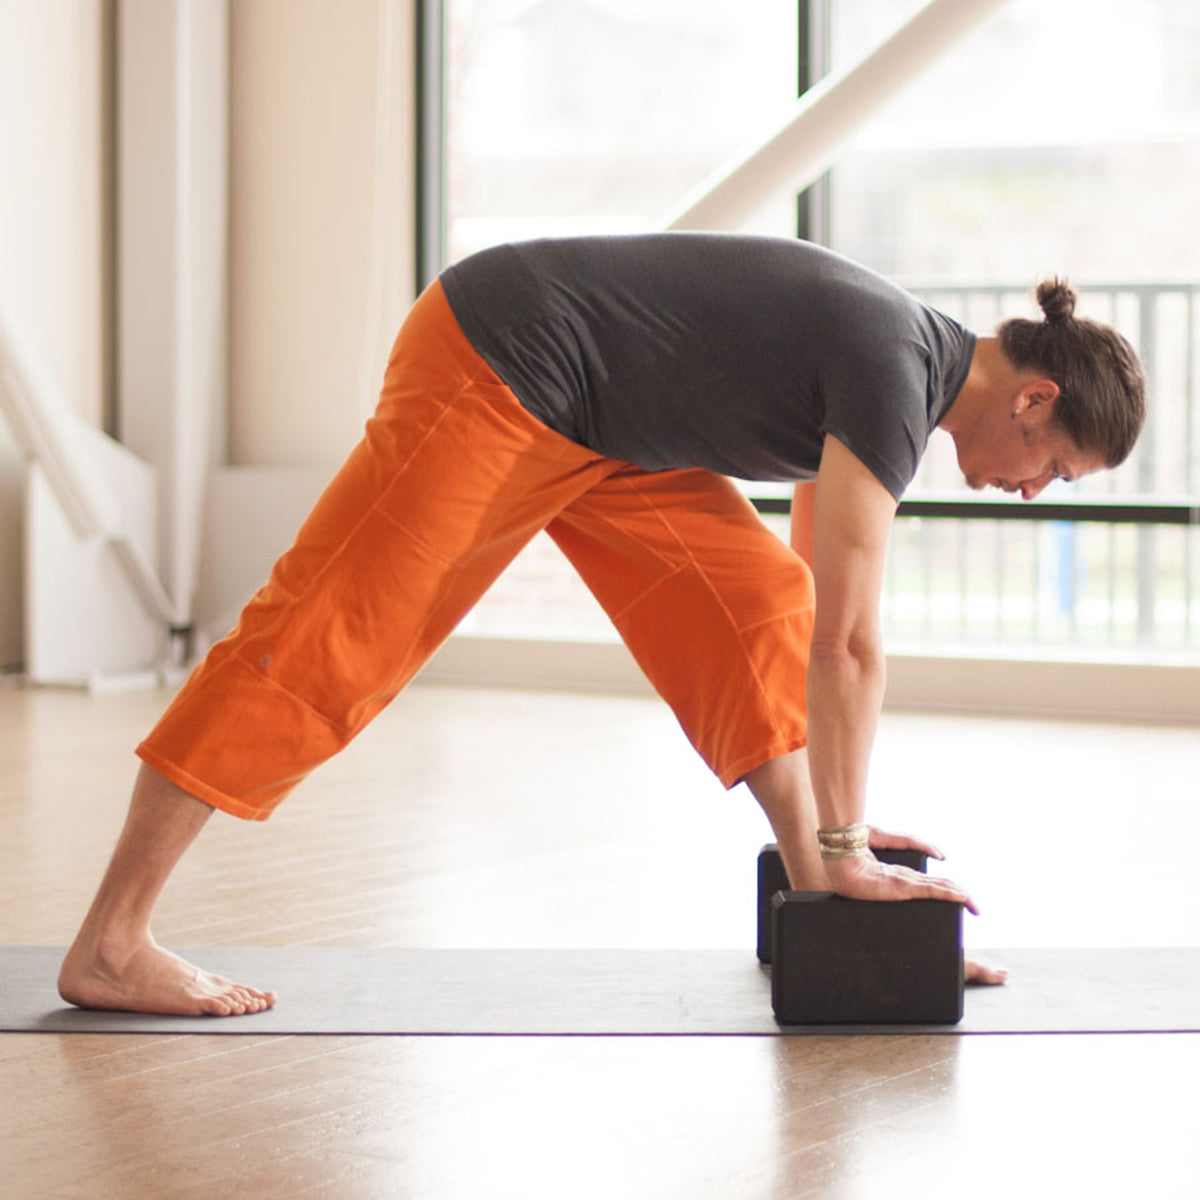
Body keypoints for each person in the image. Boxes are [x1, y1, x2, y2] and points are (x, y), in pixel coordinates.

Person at [57, 234, 1145, 1016]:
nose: (1036, 491)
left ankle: (813, 869)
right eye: (1054, 470)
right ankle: (112, 942)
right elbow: (851, 644)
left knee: (754, 601)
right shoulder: (894, 367)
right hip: (504, 359)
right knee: (328, 637)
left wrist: (842, 866)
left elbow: (813, 612)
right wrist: (850, 853)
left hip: (609, 427)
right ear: (1035, 400)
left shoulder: (908, 366)